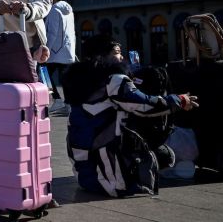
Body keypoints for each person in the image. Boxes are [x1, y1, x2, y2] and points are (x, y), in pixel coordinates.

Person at [63, 35, 198, 197]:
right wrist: (179, 100)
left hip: (84, 174)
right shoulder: (113, 79)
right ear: (102, 55)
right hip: (108, 179)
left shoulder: (82, 81)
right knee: (165, 154)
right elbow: (145, 105)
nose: (122, 57)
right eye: (117, 52)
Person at [44, 0, 77, 115]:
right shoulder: (69, 10)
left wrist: (46, 49)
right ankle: (68, 105)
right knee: (65, 79)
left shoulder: (54, 10)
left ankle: (56, 99)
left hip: (55, 51)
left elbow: (52, 33)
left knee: (43, 72)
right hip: (67, 51)